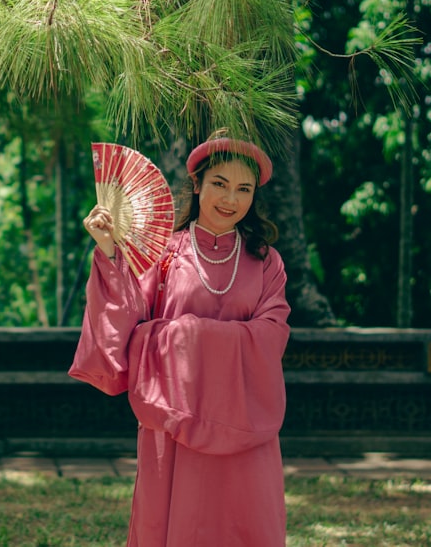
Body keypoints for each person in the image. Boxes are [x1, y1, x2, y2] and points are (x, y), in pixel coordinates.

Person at [69, 131, 291, 546]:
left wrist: (185, 334)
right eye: (220, 184)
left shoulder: (266, 262)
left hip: (245, 419)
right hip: (173, 422)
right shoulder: (165, 253)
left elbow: (273, 333)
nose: (231, 199)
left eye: (243, 189)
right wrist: (110, 251)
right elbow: (128, 315)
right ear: (197, 184)